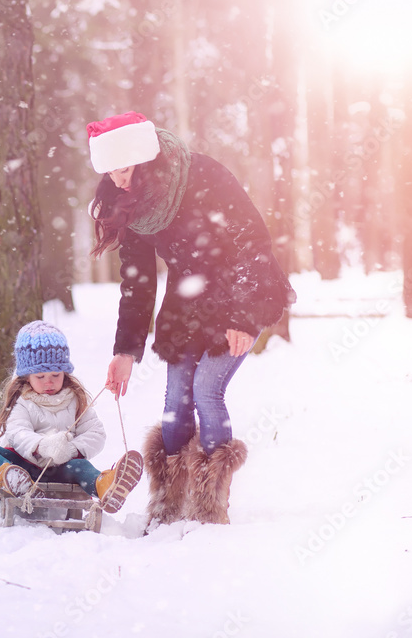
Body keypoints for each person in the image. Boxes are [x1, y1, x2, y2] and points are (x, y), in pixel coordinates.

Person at [85, 111, 295, 526]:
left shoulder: (202, 175)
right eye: (110, 173)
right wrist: (125, 350)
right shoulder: (130, 206)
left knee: (205, 389)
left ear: (144, 159)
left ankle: (210, 506)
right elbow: (137, 283)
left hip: (240, 289)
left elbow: (251, 241)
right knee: (175, 402)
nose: (119, 181)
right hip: (187, 303)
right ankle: (167, 505)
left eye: (124, 169)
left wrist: (242, 315)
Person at [0, 320, 143, 514]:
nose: (49, 382)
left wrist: (70, 449)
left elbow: (96, 433)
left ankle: (106, 486)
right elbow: (17, 432)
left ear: (65, 372)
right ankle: (12, 479)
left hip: (62, 468)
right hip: (25, 467)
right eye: (40, 376)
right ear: (26, 376)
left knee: (81, 466)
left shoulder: (75, 400)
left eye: (56, 375)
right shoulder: (22, 402)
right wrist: (42, 446)